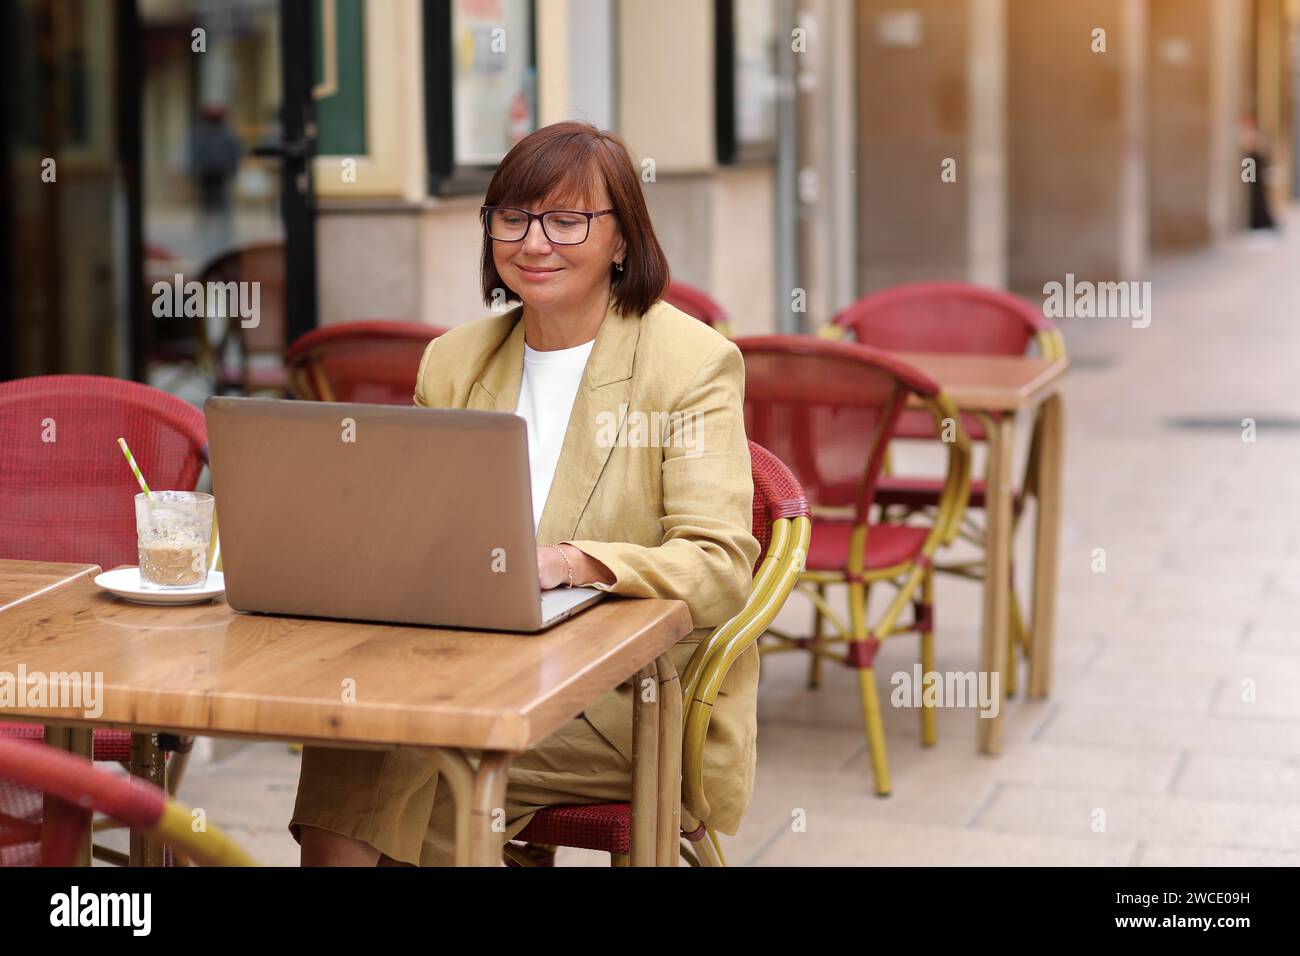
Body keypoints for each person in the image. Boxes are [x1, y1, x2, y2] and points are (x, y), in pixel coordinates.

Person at [290, 121, 761, 866]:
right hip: (464, 665)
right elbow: (415, 530)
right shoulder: (454, 361)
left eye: (568, 219)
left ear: (623, 239)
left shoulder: (691, 364)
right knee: (354, 726)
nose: (534, 242)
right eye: (513, 217)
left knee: (431, 750)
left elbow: (720, 564)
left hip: (620, 699)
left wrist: (576, 561)